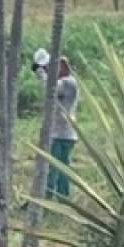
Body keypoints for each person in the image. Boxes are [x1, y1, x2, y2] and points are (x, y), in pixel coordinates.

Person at [33, 48, 79, 198]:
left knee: (56, 170)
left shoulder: (68, 83)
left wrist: (41, 73)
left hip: (62, 134)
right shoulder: (63, 82)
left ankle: (56, 197)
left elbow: (51, 89)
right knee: (55, 169)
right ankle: (54, 197)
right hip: (58, 132)